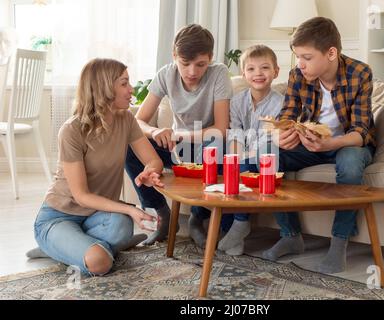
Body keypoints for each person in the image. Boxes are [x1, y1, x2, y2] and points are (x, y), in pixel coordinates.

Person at [26, 58, 164, 276]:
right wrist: (130, 208)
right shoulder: (72, 130)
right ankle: (59, 245)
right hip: (59, 216)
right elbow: (81, 196)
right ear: (104, 88)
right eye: (124, 83)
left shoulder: (126, 119)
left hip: (97, 215)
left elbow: (153, 160)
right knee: (100, 263)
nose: (131, 89)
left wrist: (150, 170)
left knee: (123, 226)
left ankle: (72, 248)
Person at [262, 17, 376, 274]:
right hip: (311, 146)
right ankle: (290, 235)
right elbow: (287, 117)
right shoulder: (297, 76)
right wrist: (282, 136)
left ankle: (339, 244)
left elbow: (361, 131)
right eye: (297, 57)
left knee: (349, 163)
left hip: (348, 144)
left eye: (307, 57)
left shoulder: (360, 73)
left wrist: (330, 143)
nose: (300, 64)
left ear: (331, 53)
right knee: (269, 155)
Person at [125, 24, 233, 247]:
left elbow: (221, 128)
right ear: (174, 56)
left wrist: (179, 134)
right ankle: (163, 213)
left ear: (210, 59)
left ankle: (197, 218)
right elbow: (137, 120)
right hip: (176, 151)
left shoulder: (219, 74)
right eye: (185, 64)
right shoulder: (166, 74)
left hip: (206, 147)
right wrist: (156, 131)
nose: (192, 72)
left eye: (201, 64)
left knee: (215, 145)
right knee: (129, 145)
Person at [217, 44, 283, 256]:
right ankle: (234, 235)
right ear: (244, 74)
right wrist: (235, 157)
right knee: (231, 165)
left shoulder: (280, 102)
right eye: (251, 69)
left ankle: (240, 223)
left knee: (246, 163)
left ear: (276, 72)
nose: (258, 74)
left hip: (266, 153)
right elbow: (235, 133)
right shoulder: (237, 101)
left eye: (265, 68)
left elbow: (268, 137)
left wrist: (244, 156)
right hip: (244, 151)